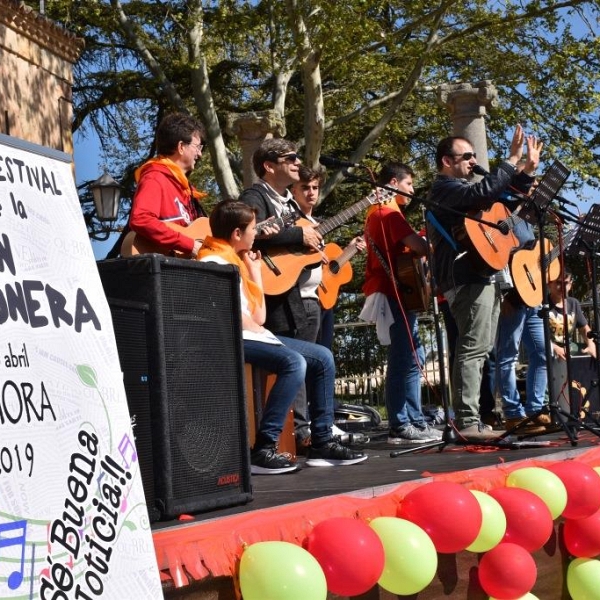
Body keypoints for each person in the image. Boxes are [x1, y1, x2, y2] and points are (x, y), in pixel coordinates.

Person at [427, 125, 540, 442]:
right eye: (467, 156)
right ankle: (466, 421)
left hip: (483, 274)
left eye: (475, 156)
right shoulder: (444, 189)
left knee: (481, 348)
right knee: (473, 348)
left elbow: (505, 202)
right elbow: (483, 192)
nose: (474, 161)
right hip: (465, 277)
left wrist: (526, 171)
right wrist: (511, 158)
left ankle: (473, 418)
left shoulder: (463, 193)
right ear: (447, 161)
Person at [360, 161, 442, 444]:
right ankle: (403, 423)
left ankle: (414, 420)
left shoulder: (377, 213)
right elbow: (420, 248)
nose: (413, 190)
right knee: (404, 360)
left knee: (412, 356)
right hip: (394, 291)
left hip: (394, 291)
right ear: (392, 184)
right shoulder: (388, 214)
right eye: (408, 184)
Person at [290, 165, 366, 444]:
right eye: (304, 188)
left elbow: (330, 267)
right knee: (305, 364)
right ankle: (302, 427)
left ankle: (323, 420)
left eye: (314, 188)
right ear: (293, 190)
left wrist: (349, 252)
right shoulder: (291, 223)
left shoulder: (317, 225)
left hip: (322, 298)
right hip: (301, 299)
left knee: (323, 361)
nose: (311, 193)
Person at [128, 112, 208, 256]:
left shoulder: (187, 190)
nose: (200, 154)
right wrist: (189, 245)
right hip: (165, 271)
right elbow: (141, 219)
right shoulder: (155, 177)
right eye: (197, 147)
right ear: (181, 147)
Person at [548, 269, 597, 412]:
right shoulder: (543, 304)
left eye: (566, 283)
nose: (562, 287)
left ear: (571, 285)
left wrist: (591, 344)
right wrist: (554, 348)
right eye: (558, 283)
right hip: (550, 346)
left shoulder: (573, 303)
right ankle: (548, 403)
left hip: (570, 345)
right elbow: (538, 336)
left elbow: (584, 328)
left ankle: (591, 398)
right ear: (549, 284)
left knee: (594, 353)